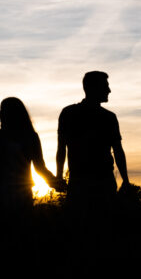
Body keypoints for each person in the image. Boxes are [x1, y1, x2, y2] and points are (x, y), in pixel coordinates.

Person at [55, 71, 132, 208]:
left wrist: (59, 177)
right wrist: (125, 180)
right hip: (94, 184)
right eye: (105, 86)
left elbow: (61, 149)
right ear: (92, 88)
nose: (109, 90)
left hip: (87, 183)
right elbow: (118, 151)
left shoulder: (68, 113)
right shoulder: (108, 118)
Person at [0, 97, 58, 210]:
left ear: (12, 112)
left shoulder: (32, 137)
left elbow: (40, 168)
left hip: (23, 196)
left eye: (2, 109)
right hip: (0, 195)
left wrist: (55, 182)